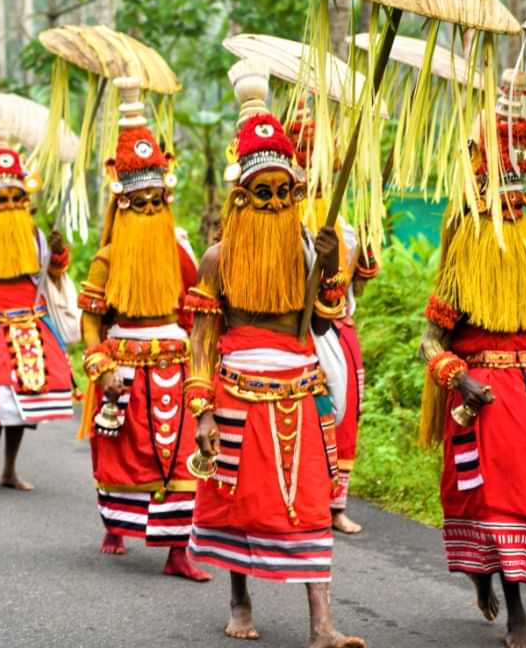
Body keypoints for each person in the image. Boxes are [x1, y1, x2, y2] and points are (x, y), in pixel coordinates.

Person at [184, 62, 362, 647]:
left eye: (285, 191)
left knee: (311, 500)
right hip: (236, 391)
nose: (275, 201)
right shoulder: (216, 259)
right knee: (238, 501)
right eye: (263, 192)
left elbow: (327, 317)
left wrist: (332, 265)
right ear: (241, 196)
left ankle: (323, 624)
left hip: (301, 389)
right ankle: (239, 602)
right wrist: (203, 409)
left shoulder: (309, 249)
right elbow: (203, 340)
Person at [417, 71, 526, 648]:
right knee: (498, 484)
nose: (511, 216)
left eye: (517, 207)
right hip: (487, 389)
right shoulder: (461, 259)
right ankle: (512, 606)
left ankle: (511, 569)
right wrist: (460, 379)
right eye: (501, 206)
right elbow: (429, 343)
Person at [78, 77, 208, 579]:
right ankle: (116, 525)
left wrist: (203, 370)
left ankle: (179, 552)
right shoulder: (106, 259)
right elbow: (92, 324)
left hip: (174, 368)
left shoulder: (180, 255)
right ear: (121, 204)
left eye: (158, 201)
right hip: (124, 371)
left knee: (179, 456)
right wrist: (100, 366)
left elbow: (197, 317)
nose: (150, 209)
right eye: (140, 202)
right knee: (121, 455)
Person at [0, 121, 75, 491]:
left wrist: (56, 254)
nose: (9, 205)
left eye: (16, 198)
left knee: (22, 403)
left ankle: (10, 467)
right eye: (2, 198)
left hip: (30, 328)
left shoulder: (38, 237)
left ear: (26, 201)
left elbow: (52, 277)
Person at [287, 103, 379, 535]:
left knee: (345, 416)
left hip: (340, 330)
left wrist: (364, 241)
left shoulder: (346, 227)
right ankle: (300, 499)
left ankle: (335, 505)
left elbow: (357, 289)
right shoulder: (284, 219)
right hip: (295, 332)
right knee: (305, 415)